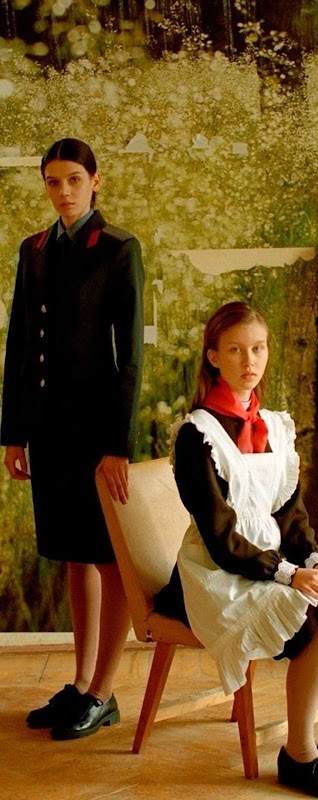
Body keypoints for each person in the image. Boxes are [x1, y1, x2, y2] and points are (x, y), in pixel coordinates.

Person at [155, 301, 318, 799]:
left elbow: (289, 515)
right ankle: (298, 754)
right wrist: (288, 574)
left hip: (271, 562)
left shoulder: (274, 427)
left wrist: (316, 560)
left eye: (258, 348)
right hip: (217, 574)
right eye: (235, 350)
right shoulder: (198, 435)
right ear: (213, 356)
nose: (249, 361)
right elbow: (220, 537)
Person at [1, 138, 144, 739]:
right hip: (48, 431)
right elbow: (18, 343)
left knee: (108, 560)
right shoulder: (34, 249)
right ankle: (81, 683)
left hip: (95, 435)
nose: (64, 192)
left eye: (74, 180)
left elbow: (129, 355)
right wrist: (13, 434)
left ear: (95, 181)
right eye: (54, 181)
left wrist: (118, 445)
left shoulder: (117, 249)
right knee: (72, 556)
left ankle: (103, 692)